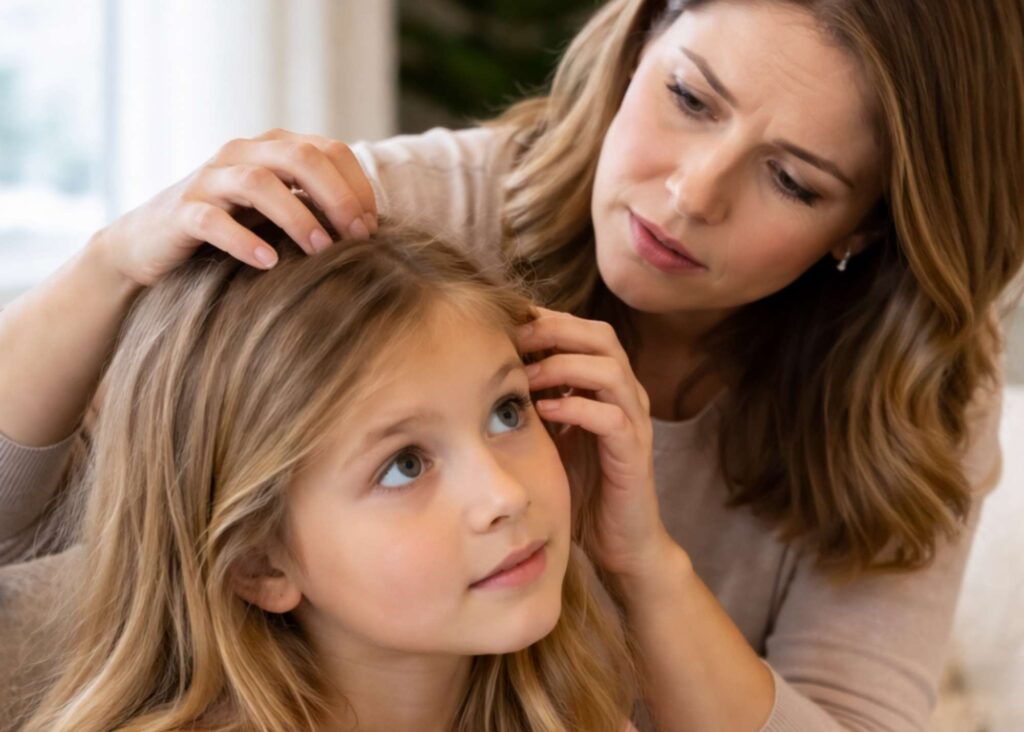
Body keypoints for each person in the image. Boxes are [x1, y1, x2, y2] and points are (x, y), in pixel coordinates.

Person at [1, 0, 1021, 729]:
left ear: (869, 227)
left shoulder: (913, 384)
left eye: (792, 180)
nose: (687, 197)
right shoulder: (381, 230)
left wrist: (643, 564)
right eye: (688, 98)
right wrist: (106, 268)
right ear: (638, 39)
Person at [2, 219, 638, 731]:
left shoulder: (569, 707)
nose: (505, 494)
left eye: (506, 412)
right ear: (261, 565)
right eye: (405, 465)